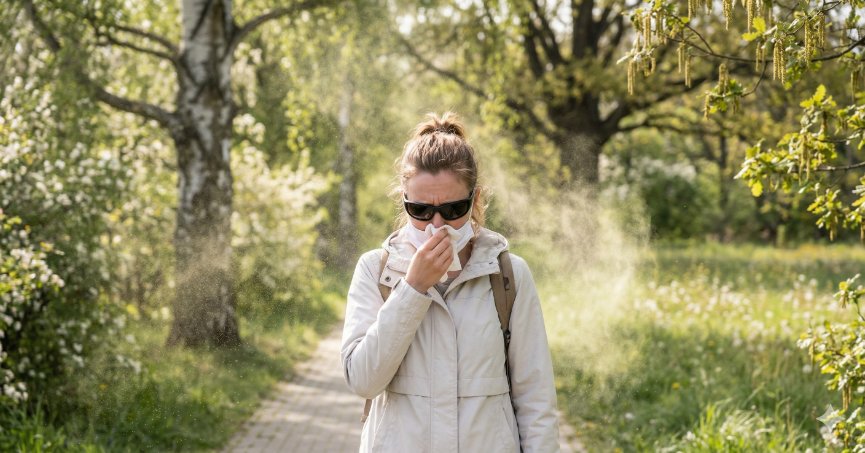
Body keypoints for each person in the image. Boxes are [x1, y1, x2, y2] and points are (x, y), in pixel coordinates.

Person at [341, 112, 560, 452]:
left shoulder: (508, 276)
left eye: (454, 209)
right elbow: (363, 380)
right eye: (421, 210)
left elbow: (536, 401)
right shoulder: (375, 270)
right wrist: (413, 289)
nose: (437, 224)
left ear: (474, 199)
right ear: (403, 199)